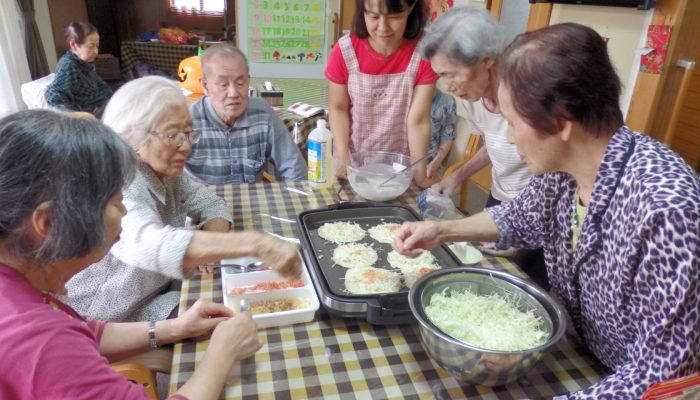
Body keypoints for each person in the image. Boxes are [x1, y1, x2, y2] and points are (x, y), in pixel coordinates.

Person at [393, 23, 700, 398]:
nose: (506, 137)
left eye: (512, 122)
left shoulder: (666, 210)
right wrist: (439, 231)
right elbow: (518, 218)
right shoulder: (563, 172)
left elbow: (660, 375)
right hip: (585, 355)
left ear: (561, 121)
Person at [0, 109, 262, 399]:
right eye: (114, 203)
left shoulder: (22, 287)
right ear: (48, 223)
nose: (123, 212)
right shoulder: (40, 341)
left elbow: (85, 330)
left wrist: (174, 328)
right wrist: (222, 354)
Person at [62, 76, 301, 322]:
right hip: (112, 313)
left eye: (188, 133)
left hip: (159, 290)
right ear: (133, 135)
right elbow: (151, 244)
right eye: (173, 135)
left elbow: (211, 203)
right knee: (235, 314)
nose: (186, 146)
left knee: (238, 300)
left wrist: (212, 246)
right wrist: (257, 243)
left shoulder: (167, 172)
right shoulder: (122, 181)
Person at [419, 7, 548, 290]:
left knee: (522, 288)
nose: (449, 86)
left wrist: (521, 234)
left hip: (539, 209)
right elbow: (494, 145)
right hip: (500, 199)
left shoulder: (527, 96)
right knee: (484, 276)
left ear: (487, 59)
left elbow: (554, 180)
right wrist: (455, 176)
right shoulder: (472, 96)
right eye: (441, 76)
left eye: (452, 74)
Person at [325, 0, 439, 188]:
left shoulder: (423, 52)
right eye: (374, 16)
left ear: (410, 8)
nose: (383, 28)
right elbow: (338, 108)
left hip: (398, 168)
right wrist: (344, 159)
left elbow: (418, 120)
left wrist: (420, 176)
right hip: (353, 164)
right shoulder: (345, 50)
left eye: (394, 17)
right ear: (362, 11)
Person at [185, 44, 306, 184]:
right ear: (205, 86)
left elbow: (295, 169)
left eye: (240, 82)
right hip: (202, 203)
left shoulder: (263, 113)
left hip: (252, 202)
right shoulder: (187, 121)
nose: (233, 93)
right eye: (223, 84)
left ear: (248, 80)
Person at [44, 21, 112, 116]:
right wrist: (76, 115)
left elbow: (102, 87)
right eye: (91, 46)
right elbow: (53, 95)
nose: (96, 51)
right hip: (90, 115)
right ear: (74, 45)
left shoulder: (84, 64)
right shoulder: (68, 65)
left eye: (97, 46)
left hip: (102, 106)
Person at [426, 89, 456, 179]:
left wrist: (435, 163)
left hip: (430, 161)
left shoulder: (447, 101)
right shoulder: (406, 96)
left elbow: (447, 136)